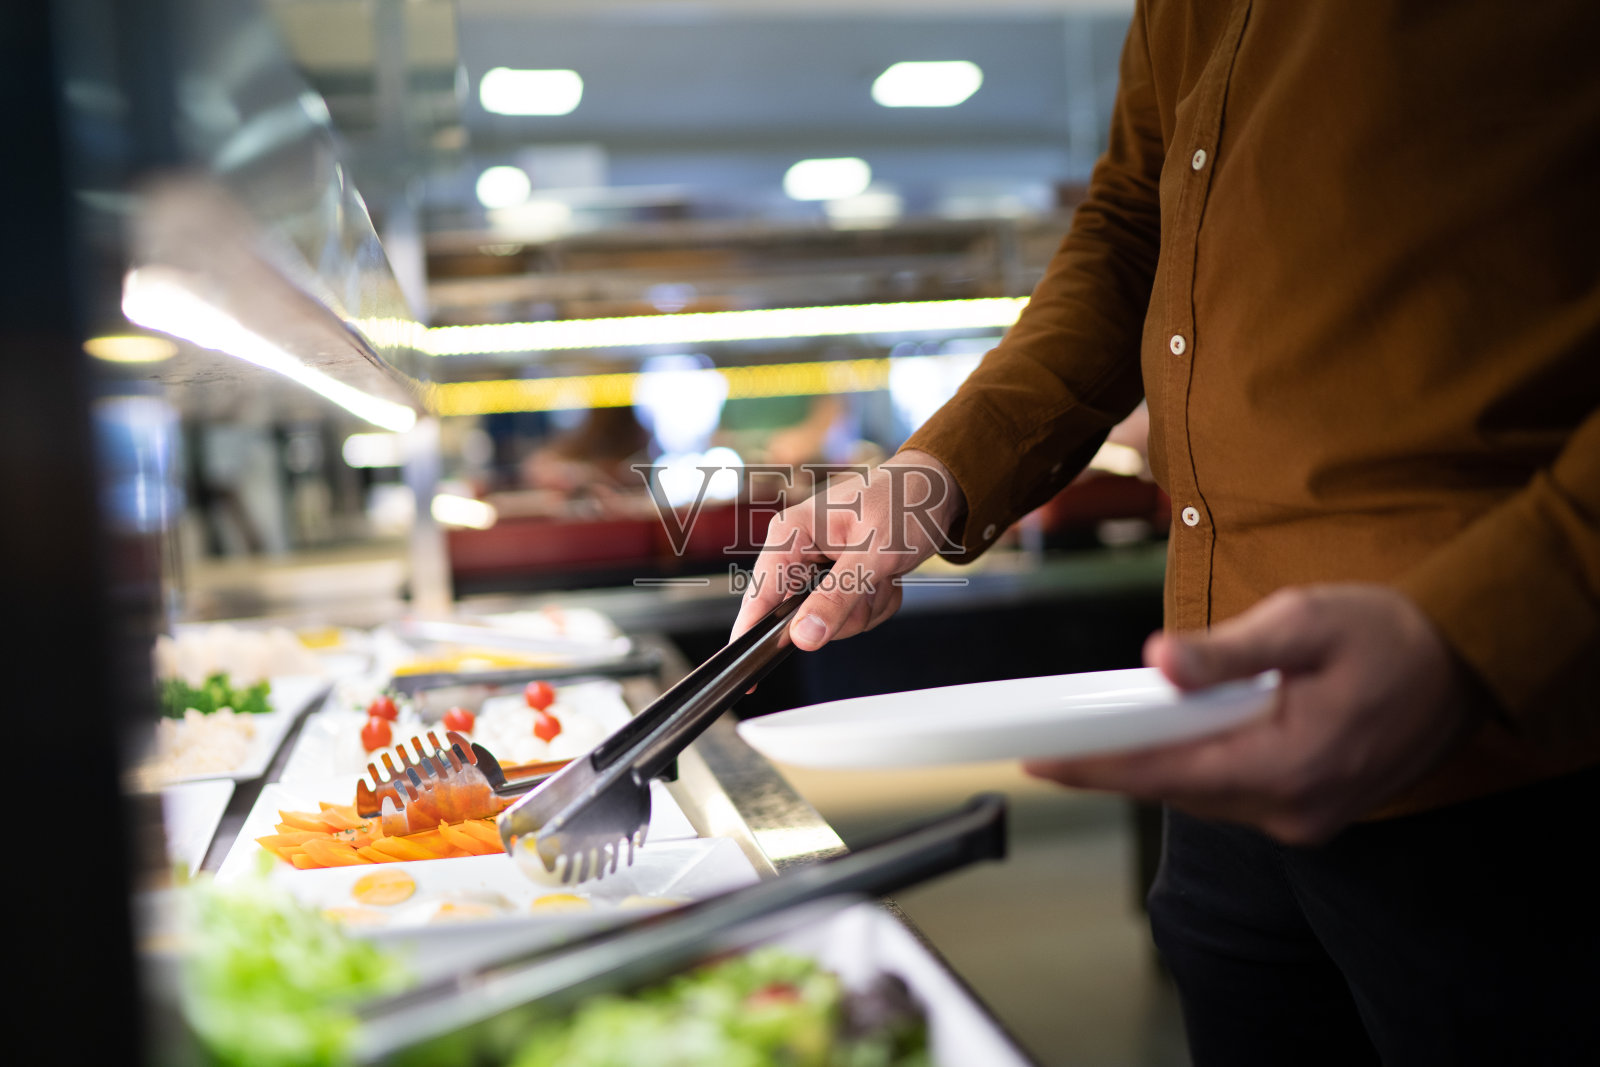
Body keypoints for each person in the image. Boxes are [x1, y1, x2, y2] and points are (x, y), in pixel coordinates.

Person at [733, 4, 1600, 1063]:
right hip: (1217, 747)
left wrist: (1479, 630)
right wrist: (934, 472)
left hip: (1506, 740)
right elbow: (1130, 227)